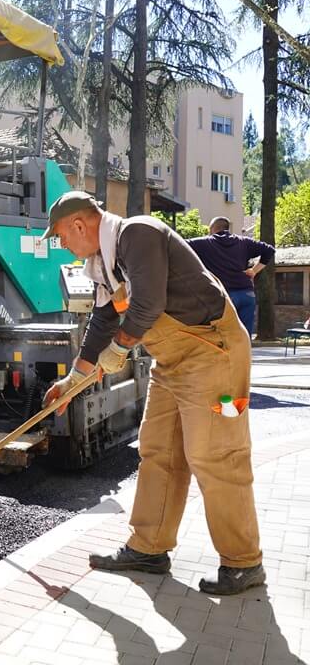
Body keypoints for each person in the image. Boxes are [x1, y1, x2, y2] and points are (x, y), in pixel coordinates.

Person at [41, 191, 263, 595]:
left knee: (216, 454)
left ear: (78, 225)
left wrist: (120, 350)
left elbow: (147, 303)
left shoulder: (138, 233)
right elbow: (104, 318)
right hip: (172, 363)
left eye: (60, 237)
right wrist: (72, 381)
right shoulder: (103, 264)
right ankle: (149, 548)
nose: (63, 246)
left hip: (216, 354)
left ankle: (243, 562)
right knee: (158, 451)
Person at [187, 216, 275, 338]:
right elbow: (269, 250)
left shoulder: (204, 243)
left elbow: (180, 245)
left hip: (225, 295)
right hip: (247, 294)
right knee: (244, 335)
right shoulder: (244, 242)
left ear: (212, 228)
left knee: (223, 336)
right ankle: (244, 356)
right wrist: (254, 271)